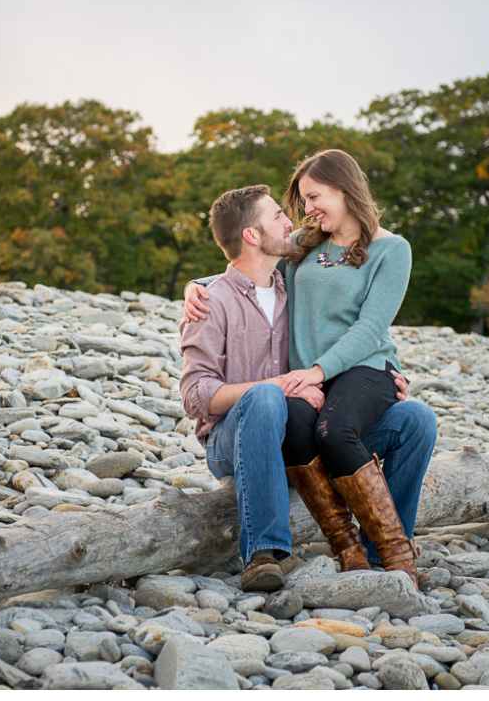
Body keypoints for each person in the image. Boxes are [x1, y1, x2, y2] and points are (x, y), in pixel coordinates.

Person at [185, 150, 435, 589]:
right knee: (284, 409)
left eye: (312, 198)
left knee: (416, 419)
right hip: (269, 412)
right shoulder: (297, 248)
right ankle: (296, 551)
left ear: (345, 189)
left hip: (334, 389)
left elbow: (370, 327)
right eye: (294, 206)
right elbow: (243, 266)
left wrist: (325, 373)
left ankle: (389, 552)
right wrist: (197, 286)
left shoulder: (369, 255)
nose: (302, 213)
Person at [178, 185, 312, 591]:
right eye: (277, 216)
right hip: (228, 441)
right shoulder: (211, 303)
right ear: (251, 236)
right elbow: (195, 395)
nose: (289, 222)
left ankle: (383, 545)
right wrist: (270, 387)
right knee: (266, 397)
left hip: (294, 435)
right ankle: (261, 554)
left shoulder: (297, 289)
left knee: (410, 418)